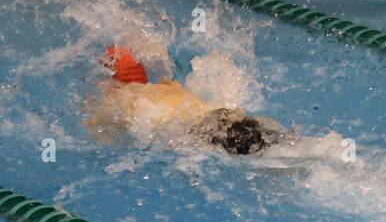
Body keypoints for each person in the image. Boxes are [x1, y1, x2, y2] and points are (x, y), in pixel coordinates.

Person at [85, 46, 282, 156]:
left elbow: (98, 139)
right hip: (223, 120)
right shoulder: (168, 87)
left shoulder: (121, 102)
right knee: (272, 144)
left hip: (200, 133)